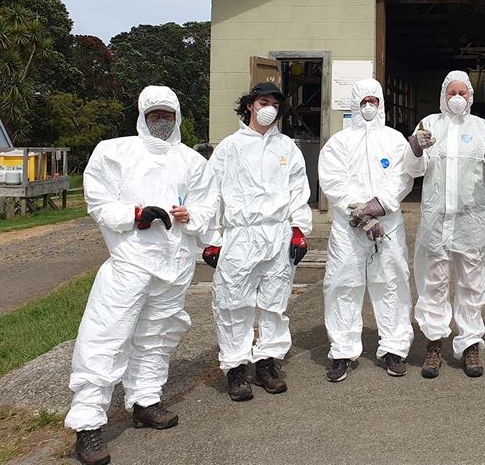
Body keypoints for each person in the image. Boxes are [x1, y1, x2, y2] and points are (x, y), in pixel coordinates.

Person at [66, 86, 209, 465]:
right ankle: (88, 424)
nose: (161, 122)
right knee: (107, 334)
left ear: (178, 117)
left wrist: (189, 215)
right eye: (154, 115)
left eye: (167, 115)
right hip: (130, 260)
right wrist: (135, 214)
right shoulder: (115, 151)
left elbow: (207, 203)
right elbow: (97, 200)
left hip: (175, 262)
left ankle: (146, 400)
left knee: (158, 335)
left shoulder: (192, 161)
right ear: (142, 116)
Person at [191, 82, 313, 401]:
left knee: (274, 303)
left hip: (276, 234)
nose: (269, 107)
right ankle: (236, 369)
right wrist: (212, 239)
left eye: (275, 102)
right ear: (250, 105)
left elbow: (299, 191)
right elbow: (210, 194)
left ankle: (266, 363)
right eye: (263, 101)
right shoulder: (230, 148)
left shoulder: (286, 147)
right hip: (241, 236)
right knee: (233, 303)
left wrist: (299, 230)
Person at [405, 71, 485, 378]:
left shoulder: (481, 128)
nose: (457, 97)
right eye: (452, 91)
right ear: (443, 94)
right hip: (436, 222)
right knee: (434, 284)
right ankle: (434, 345)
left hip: (471, 222)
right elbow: (414, 169)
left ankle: (469, 346)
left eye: (462, 93)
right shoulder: (430, 124)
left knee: (471, 285)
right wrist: (415, 146)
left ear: (470, 97)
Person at [317, 79, 414, 382]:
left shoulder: (396, 140)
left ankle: (395, 348)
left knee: (392, 284)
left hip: (387, 225)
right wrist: (358, 211)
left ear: (381, 103)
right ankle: (342, 352)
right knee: (343, 285)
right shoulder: (339, 142)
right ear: (355, 104)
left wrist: (380, 205)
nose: (369, 106)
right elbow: (333, 181)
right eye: (364, 101)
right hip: (349, 229)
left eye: (374, 100)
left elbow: (404, 177)